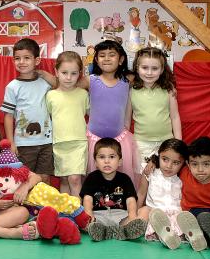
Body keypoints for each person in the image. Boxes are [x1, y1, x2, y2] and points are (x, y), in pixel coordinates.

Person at [40, 40, 140, 188]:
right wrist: (43, 74)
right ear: (96, 59)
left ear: (121, 59)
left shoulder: (128, 80)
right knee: (91, 179)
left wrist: (168, 86)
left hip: (120, 138)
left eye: (111, 55)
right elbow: (65, 84)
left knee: (120, 176)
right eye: (102, 55)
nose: (106, 58)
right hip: (93, 138)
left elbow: (148, 79)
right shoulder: (90, 80)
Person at [136, 138, 206, 251]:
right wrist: (135, 213)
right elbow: (141, 193)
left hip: (176, 213)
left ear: (184, 163)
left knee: (183, 218)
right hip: (154, 212)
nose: (169, 166)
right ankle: (137, 228)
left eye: (176, 163)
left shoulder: (183, 176)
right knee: (144, 211)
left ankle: (193, 236)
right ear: (159, 157)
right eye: (165, 159)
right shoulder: (151, 172)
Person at [1, 38, 53, 185]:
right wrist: (11, 142)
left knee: (44, 178)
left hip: (46, 141)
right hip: (23, 143)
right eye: (17, 58)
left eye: (26, 58)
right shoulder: (12, 86)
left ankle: (44, 208)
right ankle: (25, 208)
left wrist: (43, 73)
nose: (21, 62)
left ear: (37, 60)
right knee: (24, 179)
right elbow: (8, 115)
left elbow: (59, 85)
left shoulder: (45, 82)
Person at [125, 47, 181, 172]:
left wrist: (178, 142)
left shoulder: (169, 89)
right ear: (137, 67)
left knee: (163, 177)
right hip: (141, 143)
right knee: (144, 177)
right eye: (145, 68)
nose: (149, 73)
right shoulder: (131, 90)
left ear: (161, 70)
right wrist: (126, 142)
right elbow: (127, 119)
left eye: (154, 68)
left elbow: (175, 117)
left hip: (166, 142)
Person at [81, 138, 146, 242]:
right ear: (96, 162)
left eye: (112, 157)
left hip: (120, 215)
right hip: (98, 216)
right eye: (102, 157)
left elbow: (131, 201)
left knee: (142, 213)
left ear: (120, 161)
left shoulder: (125, 179)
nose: (107, 161)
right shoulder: (91, 178)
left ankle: (124, 229)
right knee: (82, 221)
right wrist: (90, 216)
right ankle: (103, 230)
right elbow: (87, 200)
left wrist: (132, 216)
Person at [46, 51, 89, 197]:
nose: (69, 77)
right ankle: (65, 212)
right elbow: (48, 118)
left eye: (74, 73)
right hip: (58, 143)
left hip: (78, 142)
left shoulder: (83, 94)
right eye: (64, 72)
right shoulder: (51, 95)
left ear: (80, 74)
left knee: (75, 179)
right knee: (64, 179)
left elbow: (93, 114)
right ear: (56, 72)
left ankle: (78, 213)